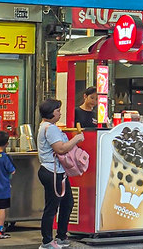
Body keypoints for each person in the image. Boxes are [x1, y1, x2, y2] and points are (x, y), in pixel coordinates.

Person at [38, 99, 84, 249]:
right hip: (52, 172)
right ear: (51, 112)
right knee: (52, 207)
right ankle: (47, 241)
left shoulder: (47, 127)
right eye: (58, 110)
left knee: (67, 202)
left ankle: (61, 236)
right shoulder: (49, 128)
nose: (60, 113)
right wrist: (76, 138)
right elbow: (61, 149)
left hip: (57, 172)